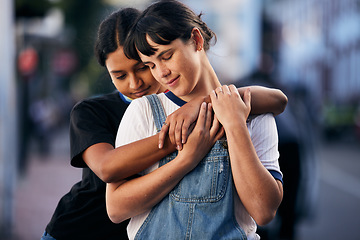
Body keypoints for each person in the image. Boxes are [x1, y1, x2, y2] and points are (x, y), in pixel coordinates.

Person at [42, 7, 287, 240]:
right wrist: (186, 150)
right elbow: (108, 172)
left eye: (143, 67)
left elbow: (277, 99)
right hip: (80, 230)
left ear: (196, 41)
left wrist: (209, 109)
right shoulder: (114, 112)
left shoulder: (241, 108)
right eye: (120, 75)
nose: (135, 83)